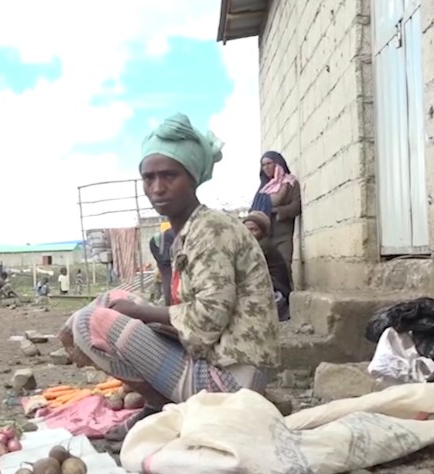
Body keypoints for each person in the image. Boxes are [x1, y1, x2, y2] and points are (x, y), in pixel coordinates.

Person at [59, 113, 281, 441]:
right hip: (215, 360)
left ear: (192, 178)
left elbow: (206, 319)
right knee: (112, 300)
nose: (157, 188)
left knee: (88, 322)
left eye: (169, 176)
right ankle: (159, 408)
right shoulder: (186, 234)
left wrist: (140, 314)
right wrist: (135, 311)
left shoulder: (211, 230)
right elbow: (182, 310)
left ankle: (166, 411)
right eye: (148, 178)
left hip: (231, 384)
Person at [254, 151, 301, 280]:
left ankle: (286, 292)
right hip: (264, 235)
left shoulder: (290, 183)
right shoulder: (263, 189)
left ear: (278, 164)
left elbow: (296, 206)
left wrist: (277, 211)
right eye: (263, 165)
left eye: (269, 163)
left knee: (284, 266)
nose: (266, 167)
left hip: (283, 233)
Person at [243, 211, 292, 322]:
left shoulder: (262, 247)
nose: (249, 234)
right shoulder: (251, 246)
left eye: (254, 230)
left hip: (276, 293)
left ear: (263, 232)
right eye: (246, 230)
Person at [148, 221, 175, 305]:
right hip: (164, 258)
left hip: (163, 257)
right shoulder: (176, 233)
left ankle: (168, 302)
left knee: (167, 279)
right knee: (168, 279)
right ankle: (169, 303)